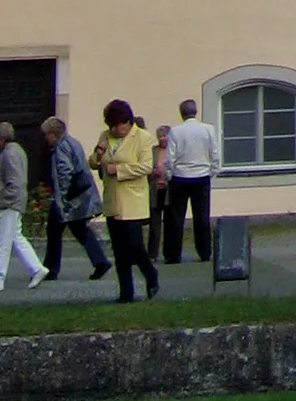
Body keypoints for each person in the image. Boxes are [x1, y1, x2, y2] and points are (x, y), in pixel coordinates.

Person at [93, 99, 160, 301]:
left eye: (119, 126)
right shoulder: (106, 136)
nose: (115, 130)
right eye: (111, 126)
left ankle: (151, 274)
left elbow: (146, 167)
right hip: (113, 199)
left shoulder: (142, 137)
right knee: (119, 249)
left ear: (128, 122)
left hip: (133, 199)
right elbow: (94, 163)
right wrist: (99, 152)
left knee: (134, 245)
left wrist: (119, 170)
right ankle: (126, 292)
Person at [0, 120, 48, 291]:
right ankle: (36, 268)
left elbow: (15, 183)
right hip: (12, 204)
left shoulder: (9, 154)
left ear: (1, 139)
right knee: (15, 237)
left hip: (7, 205)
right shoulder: (13, 152)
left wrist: (0, 202)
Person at [40, 117, 111, 282]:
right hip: (81, 197)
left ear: (53, 134)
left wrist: (63, 200)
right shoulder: (73, 142)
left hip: (69, 200)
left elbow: (65, 174)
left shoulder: (61, 148)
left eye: (47, 135)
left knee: (56, 231)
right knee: (80, 230)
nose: (46, 139)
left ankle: (51, 269)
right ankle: (100, 261)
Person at [163, 97, 221, 265]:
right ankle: (204, 253)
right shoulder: (208, 130)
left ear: (181, 114)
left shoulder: (175, 131)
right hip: (202, 176)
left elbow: (169, 159)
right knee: (202, 216)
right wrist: (212, 172)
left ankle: (174, 255)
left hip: (180, 177)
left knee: (176, 218)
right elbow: (215, 153)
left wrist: (169, 176)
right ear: (195, 112)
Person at [146, 122, 173, 261]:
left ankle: (169, 254)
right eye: (160, 136)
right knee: (154, 226)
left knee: (169, 224)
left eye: (164, 136)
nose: (162, 138)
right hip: (155, 190)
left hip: (169, 191)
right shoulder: (153, 151)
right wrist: (152, 172)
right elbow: (146, 169)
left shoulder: (173, 150)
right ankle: (152, 254)